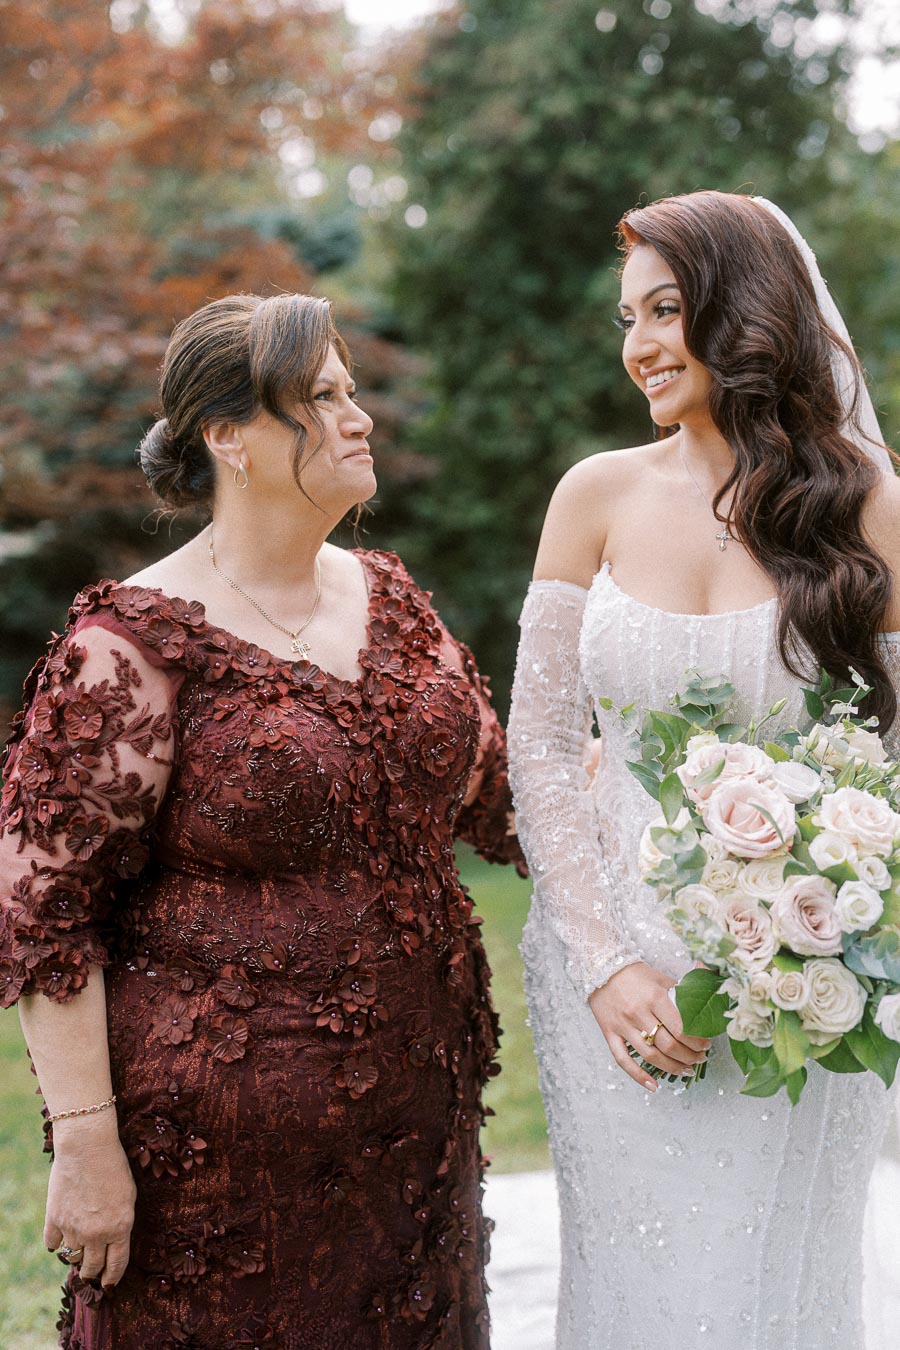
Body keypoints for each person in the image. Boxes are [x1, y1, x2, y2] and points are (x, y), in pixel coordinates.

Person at [0, 292, 524, 1349]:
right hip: (216, 1171)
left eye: (351, 390)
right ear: (228, 435)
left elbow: (500, 799)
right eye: (319, 397)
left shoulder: (394, 598)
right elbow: (43, 913)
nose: (357, 415)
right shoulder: (130, 646)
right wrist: (87, 1142)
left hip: (416, 1143)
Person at [507, 190, 900, 1349]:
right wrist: (601, 961)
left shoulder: (869, 505)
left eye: (665, 310)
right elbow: (538, 737)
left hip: (802, 992)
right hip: (610, 982)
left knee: (770, 1291)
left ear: (745, 310)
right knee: (635, 1293)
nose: (636, 346)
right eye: (625, 319)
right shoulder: (595, 495)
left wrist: (826, 925)